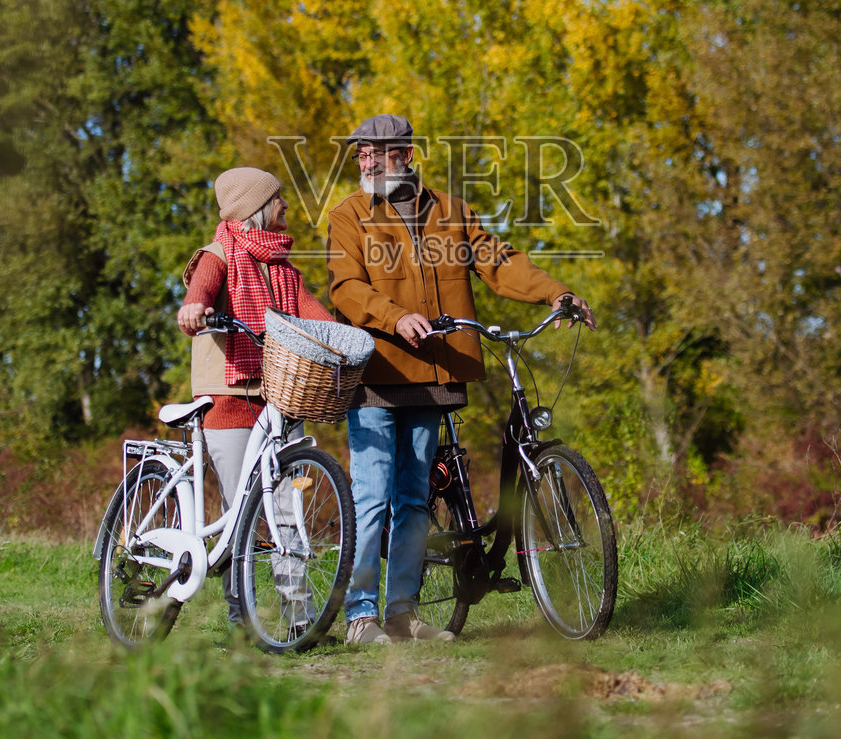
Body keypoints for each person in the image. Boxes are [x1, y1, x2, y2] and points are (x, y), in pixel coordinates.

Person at [327, 114, 595, 644]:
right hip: (377, 373)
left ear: (405, 155)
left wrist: (555, 292)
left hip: (433, 375)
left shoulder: (452, 212)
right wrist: (394, 317)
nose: (366, 162)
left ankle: (401, 615)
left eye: (376, 153)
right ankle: (360, 616)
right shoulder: (348, 215)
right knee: (373, 497)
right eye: (360, 154)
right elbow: (346, 287)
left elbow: (500, 262)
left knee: (413, 499)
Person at [177, 166, 334, 626]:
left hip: (281, 396)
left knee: (287, 507)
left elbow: (317, 319)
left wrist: (347, 340)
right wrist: (195, 307)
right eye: (277, 197)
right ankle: (240, 617)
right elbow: (202, 286)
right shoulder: (218, 254)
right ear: (256, 206)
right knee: (240, 512)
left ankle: (299, 616)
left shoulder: (284, 270)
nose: (285, 204)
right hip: (228, 399)